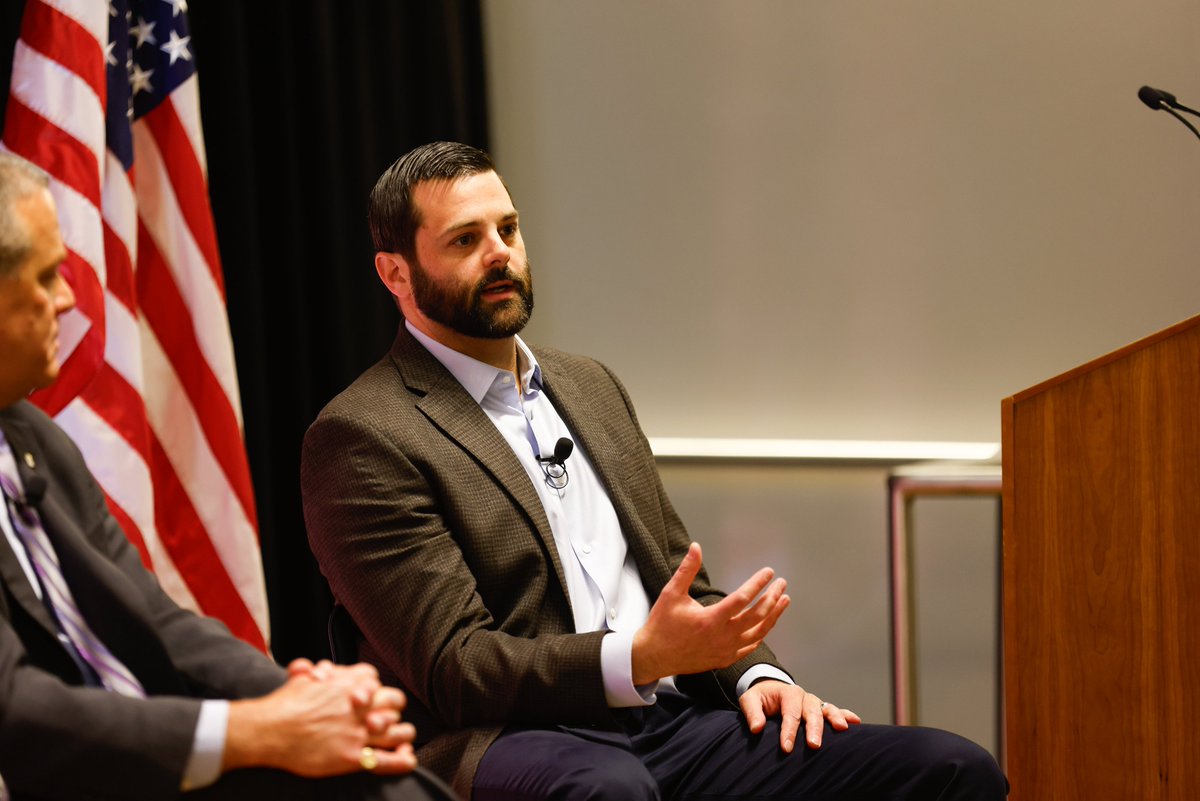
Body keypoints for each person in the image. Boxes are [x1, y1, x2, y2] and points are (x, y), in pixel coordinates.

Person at [301, 141, 1007, 800]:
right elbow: (456, 670)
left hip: (666, 718)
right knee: (610, 791)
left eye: (508, 230)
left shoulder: (589, 385)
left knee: (949, 768)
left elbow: (678, 579)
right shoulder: (364, 434)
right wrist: (633, 656)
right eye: (466, 239)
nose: (500, 254)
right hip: (504, 738)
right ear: (395, 272)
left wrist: (755, 672)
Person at [0, 152, 457, 801]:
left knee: (384, 782)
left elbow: (154, 617)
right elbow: (17, 714)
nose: (71, 297)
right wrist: (252, 729)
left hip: (148, 755)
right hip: (72, 771)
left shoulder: (31, 437)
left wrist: (300, 698)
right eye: (46, 277)